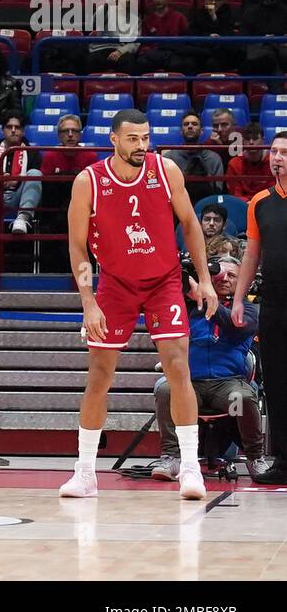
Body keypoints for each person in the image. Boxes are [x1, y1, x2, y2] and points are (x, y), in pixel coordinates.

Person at [62, 108, 217, 501]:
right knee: (99, 375)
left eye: (145, 138)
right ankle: (84, 473)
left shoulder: (166, 170)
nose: (141, 145)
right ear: (113, 139)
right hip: (115, 284)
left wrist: (205, 280)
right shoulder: (88, 181)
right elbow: (77, 245)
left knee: (179, 366)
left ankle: (189, 468)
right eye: (133, 138)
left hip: (164, 281)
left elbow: (190, 224)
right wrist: (88, 302)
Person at [152, 256, 268, 481]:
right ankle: (171, 457)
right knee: (166, 389)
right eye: (219, 274)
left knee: (241, 397)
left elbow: (233, 326)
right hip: (189, 383)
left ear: (242, 281)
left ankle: (255, 457)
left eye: (232, 275)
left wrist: (202, 296)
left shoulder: (248, 309)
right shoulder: (188, 308)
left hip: (227, 384)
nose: (224, 278)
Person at [232, 132, 287, 482]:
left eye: (284, 152)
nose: (277, 157)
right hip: (275, 303)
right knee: (279, 382)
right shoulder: (260, 202)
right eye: (274, 151)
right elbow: (252, 254)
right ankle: (282, 460)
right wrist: (238, 298)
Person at [39, 114, 98, 231]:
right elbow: (46, 191)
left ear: (80, 134)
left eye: (75, 131)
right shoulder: (49, 156)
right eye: (66, 131)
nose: (70, 135)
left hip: (82, 210)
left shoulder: (91, 156)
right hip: (54, 210)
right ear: (59, 135)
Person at [162, 111, 224, 203]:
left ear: (202, 131)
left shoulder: (214, 158)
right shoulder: (169, 158)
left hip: (207, 207)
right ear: (181, 131)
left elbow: (218, 191)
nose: (190, 126)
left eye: (194, 124)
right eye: (186, 124)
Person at [226, 122, 272, 200]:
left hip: (266, 205)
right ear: (243, 141)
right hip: (243, 205)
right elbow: (235, 194)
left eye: (255, 139)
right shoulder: (234, 164)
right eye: (247, 139)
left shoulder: (272, 162)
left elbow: (273, 192)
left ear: (263, 140)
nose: (251, 142)